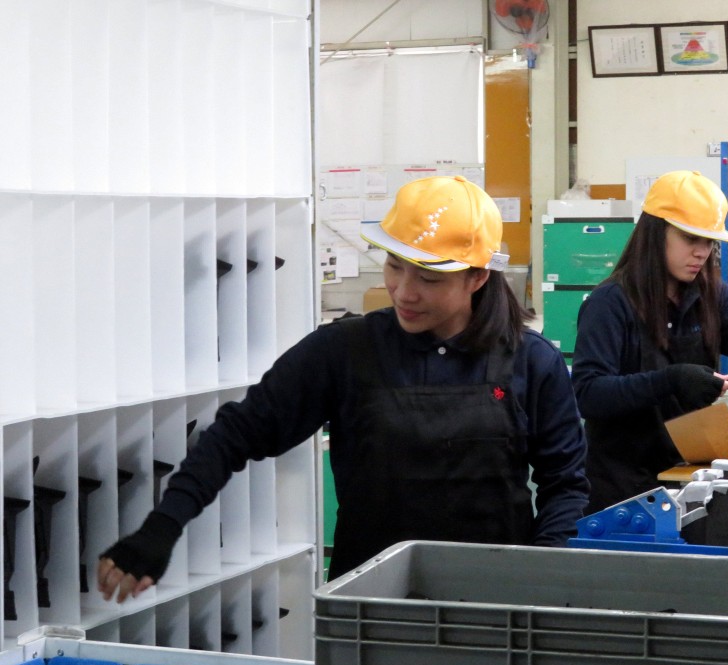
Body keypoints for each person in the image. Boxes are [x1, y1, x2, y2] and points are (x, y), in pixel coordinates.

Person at [97, 175, 590, 602]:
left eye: (428, 278)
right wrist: (164, 526)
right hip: (369, 597)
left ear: (478, 277)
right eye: (395, 266)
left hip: (494, 598)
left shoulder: (532, 361)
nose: (404, 291)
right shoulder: (343, 352)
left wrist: (540, 573)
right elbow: (234, 435)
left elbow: (564, 484)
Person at [571, 170, 728, 512]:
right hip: (622, 491)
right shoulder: (610, 303)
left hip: (688, 479)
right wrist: (671, 381)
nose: (701, 253)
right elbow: (589, 393)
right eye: (689, 239)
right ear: (654, 232)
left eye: (708, 242)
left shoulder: (708, 296)